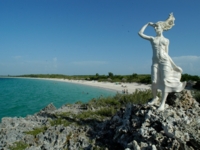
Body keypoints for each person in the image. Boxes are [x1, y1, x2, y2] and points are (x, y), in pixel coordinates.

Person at [138, 13, 186, 111]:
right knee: (154, 81)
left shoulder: (166, 40)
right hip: (155, 61)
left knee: (165, 81)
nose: (156, 30)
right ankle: (155, 98)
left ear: (162, 29)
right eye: (155, 29)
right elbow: (140, 33)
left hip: (164, 61)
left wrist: (174, 66)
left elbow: (167, 54)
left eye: (157, 28)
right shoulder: (152, 39)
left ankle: (162, 103)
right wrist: (147, 24)